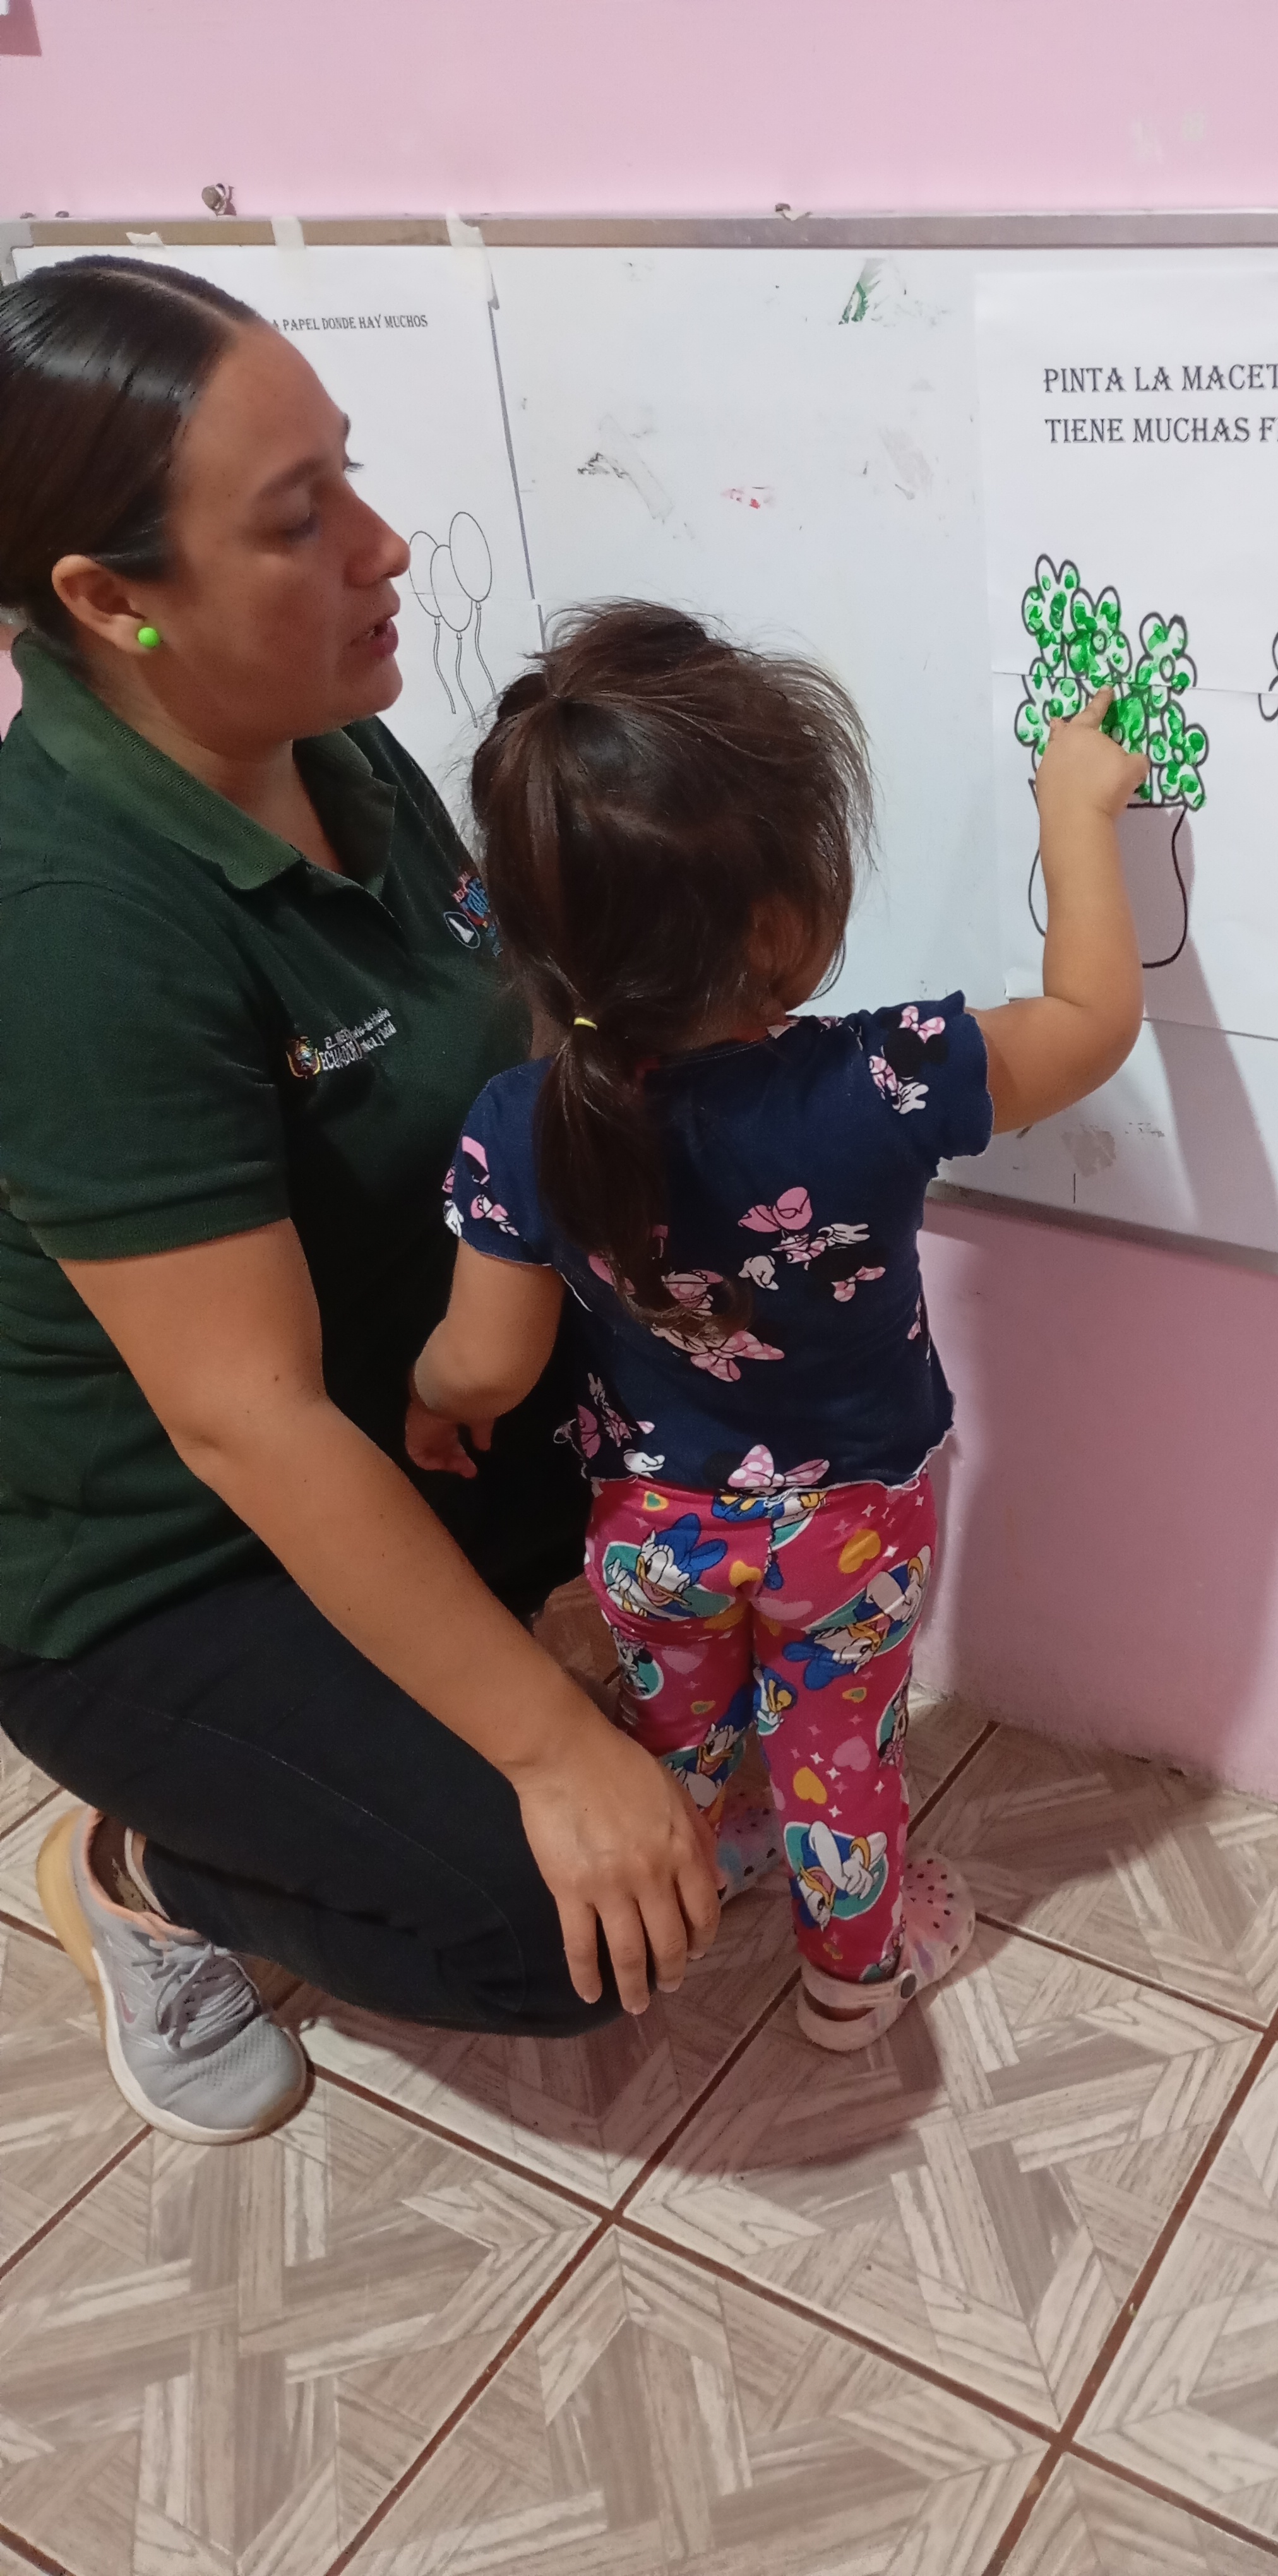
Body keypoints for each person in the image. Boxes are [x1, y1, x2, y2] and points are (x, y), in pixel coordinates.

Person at [0, 258, 722, 2148]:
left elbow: (499, 1061)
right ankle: (148, 1879)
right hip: (169, 1558)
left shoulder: (332, 736)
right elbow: (244, 1421)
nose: (384, 548)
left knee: (747, 1527)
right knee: (568, 1922)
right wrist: (548, 1750)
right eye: (297, 518)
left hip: (415, 1402)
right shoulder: (72, 927)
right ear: (112, 601)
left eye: (353, 475)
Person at [408, 602, 1146, 2048]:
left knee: (675, 1729)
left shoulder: (519, 1120)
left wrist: (433, 1400)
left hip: (651, 1536)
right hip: (850, 1528)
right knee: (839, 1749)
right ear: (781, 925)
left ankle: (690, 1886)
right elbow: (1092, 1018)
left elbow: (485, 1362)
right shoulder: (881, 1083)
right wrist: (1074, 810)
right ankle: (854, 1978)